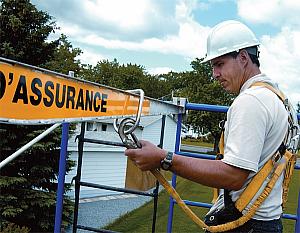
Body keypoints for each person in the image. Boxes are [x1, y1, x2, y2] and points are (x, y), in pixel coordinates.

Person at [125, 20, 298, 232]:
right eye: (213, 66)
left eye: (220, 64)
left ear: (243, 58)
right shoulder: (278, 99)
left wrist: (164, 158)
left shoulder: (251, 102)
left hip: (245, 225)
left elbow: (233, 176)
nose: (215, 74)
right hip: (264, 221)